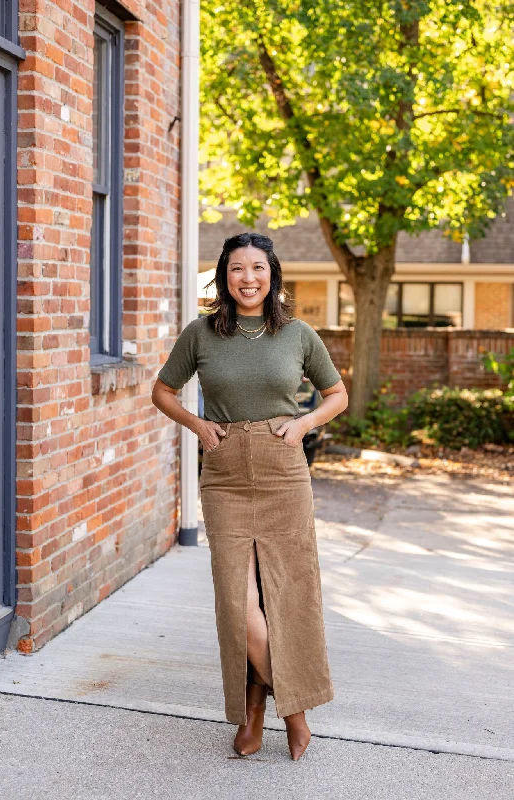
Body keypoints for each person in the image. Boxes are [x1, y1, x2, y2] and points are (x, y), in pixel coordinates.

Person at [152, 233, 348, 760]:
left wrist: (303, 424)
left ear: (272, 275)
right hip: (225, 473)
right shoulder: (201, 334)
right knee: (238, 603)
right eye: (237, 268)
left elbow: (337, 395)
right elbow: (162, 390)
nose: (248, 278)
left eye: (257, 268)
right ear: (223, 276)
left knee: (289, 593)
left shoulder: (298, 334)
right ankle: (294, 709)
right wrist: (198, 426)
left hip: (283, 469)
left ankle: (257, 710)